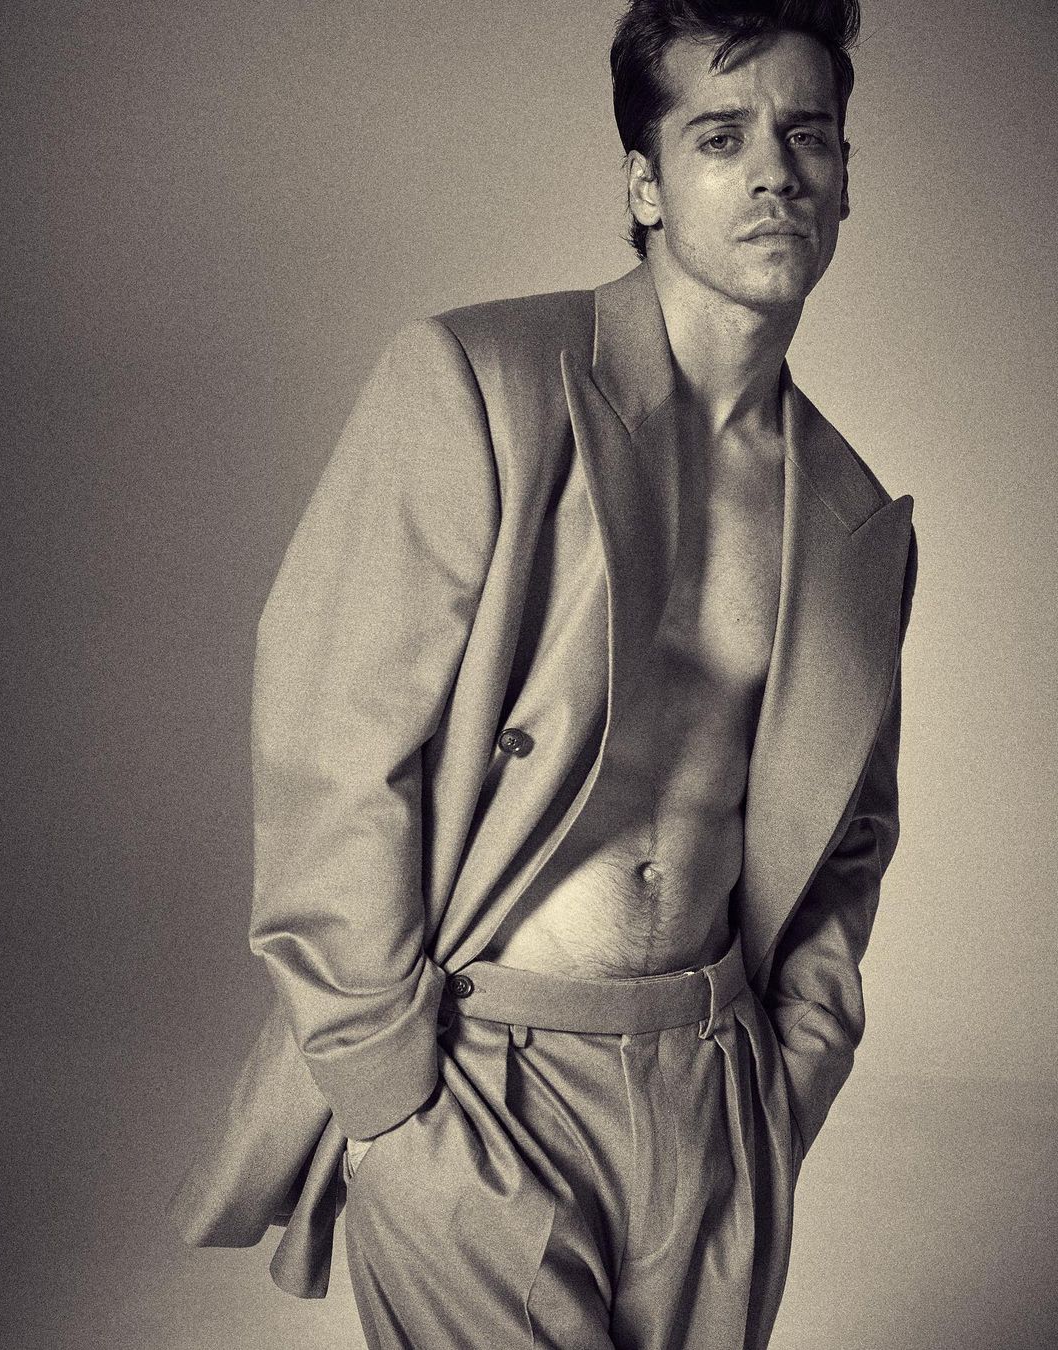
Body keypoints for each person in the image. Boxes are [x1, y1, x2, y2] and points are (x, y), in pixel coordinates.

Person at [169, 1, 918, 1346]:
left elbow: (848, 841)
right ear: (645, 183)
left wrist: (787, 1085)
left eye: (808, 135)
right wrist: (392, 1103)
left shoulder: (854, 521)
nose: (775, 172)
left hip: (715, 1096)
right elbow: (333, 754)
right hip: (483, 1079)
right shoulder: (481, 382)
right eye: (721, 136)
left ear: (846, 178)